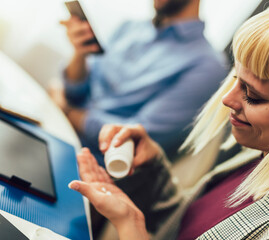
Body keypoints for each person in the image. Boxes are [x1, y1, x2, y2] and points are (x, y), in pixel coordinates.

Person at [68, 0, 269, 239]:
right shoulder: (262, 160)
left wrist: (130, 229)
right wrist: (150, 172)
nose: (227, 100)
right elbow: (188, 227)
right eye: (236, 80)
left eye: (253, 96)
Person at [56, 0, 229, 162]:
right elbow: (75, 93)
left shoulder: (208, 67)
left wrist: (67, 112)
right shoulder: (130, 27)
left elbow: (134, 137)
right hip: (58, 128)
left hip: (88, 161)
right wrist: (80, 54)